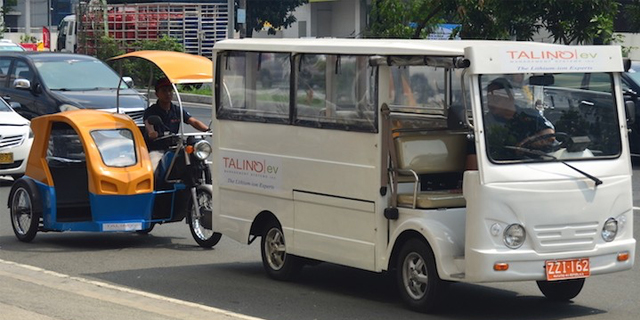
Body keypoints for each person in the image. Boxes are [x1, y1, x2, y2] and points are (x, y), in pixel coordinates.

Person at [484, 77, 555, 160]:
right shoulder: (485, 122)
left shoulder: (529, 114)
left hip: (538, 162)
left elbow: (549, 134)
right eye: (489, 98)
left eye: (495, 98)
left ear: (510, 97)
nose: (490, 103)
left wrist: (529, 141)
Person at [143, 77, 209, 150]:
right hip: (157, 148)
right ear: (157, 94)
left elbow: (193, 121)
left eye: (170, 90)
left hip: (175, 147)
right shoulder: (150, 111)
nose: (168, 93)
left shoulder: (176, 109)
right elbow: (148, 124)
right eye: (164, 91)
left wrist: (208, 130)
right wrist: (152, 133)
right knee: (155, 160)